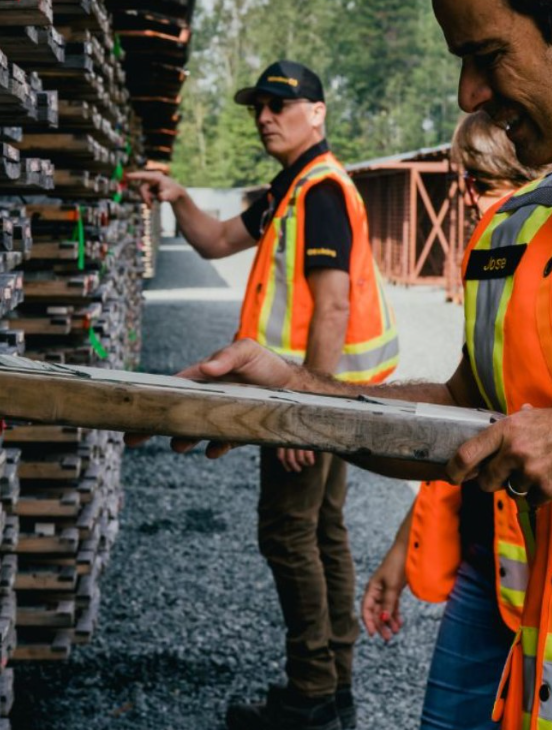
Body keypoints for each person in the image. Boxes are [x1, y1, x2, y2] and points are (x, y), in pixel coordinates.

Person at [147, 2, 552, 728]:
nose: (468, 94)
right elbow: (466, 413)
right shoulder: (516, 230)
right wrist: (299, 396)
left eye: (489, 55)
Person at [127, 61, 400, 730]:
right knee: (323, 531)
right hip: (329, 399)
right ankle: (332, 690)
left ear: (319, 111)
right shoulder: (293, 187)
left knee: (287, 533)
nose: (266, 115)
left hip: (309, 401)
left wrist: (303, 417)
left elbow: (331, 309)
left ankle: (313, 695)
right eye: (260, 105)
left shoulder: (322, 193)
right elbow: (218, 239)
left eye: (282, 103)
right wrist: (177, 195)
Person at [361, 111, 552, 730]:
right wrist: (403, 546)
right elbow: (470, 413)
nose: (474, 197)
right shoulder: (495, 258)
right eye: (467, 181)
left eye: (489, 179)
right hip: (489, 558)